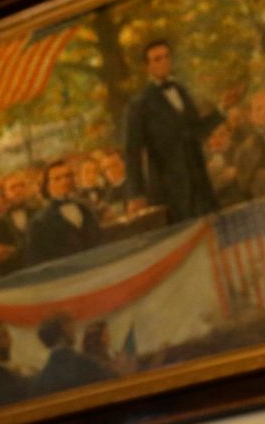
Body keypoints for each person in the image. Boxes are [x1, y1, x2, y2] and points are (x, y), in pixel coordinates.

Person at [125, 40, 225, 224]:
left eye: (166, 57)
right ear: (147, 66)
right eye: (157, 59)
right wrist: (135, 193)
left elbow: (196, 131)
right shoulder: (140, 103)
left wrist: (221, 111)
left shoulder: (182, 91)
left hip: (198, 179)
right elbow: (132, 151)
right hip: (168, 187)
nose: (163, 62)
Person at [27, 160, 101, 267]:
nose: (65, 182)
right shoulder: (39, 222)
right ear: (47, 185)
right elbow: (37, 260)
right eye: (57, 179)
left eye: (68, 176)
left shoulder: (85, 208)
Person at [30, 313, 117, 397]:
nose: (75, 329)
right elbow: (114, 385)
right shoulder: (85, 365)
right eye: (71, 324)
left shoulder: (41, 379)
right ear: (65, 328)